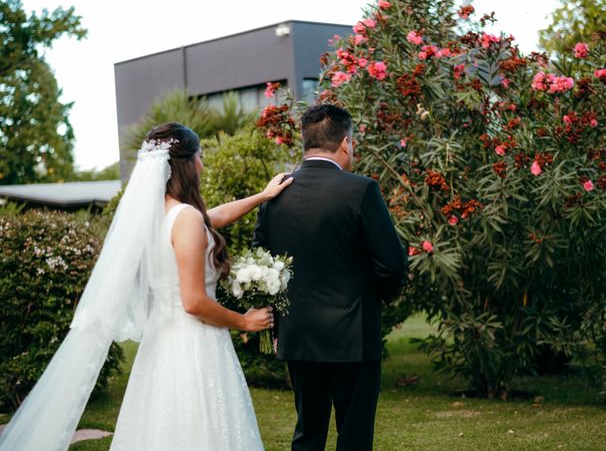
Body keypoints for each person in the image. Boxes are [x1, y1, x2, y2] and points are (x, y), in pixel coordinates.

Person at [0, 122, 292, 451]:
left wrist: (263, 196)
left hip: (162, 343)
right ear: (185, 163)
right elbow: (194, 301)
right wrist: (244, 321)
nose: (203, 163)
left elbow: (216, 215)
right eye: (200, 155)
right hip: (194, 344)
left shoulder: (163, 217)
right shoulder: (186, 219)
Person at [253, 104, 406, 451]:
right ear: (346, 143)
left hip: (298, 334)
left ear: (305, 143)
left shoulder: (273, 193)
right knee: (354, 434)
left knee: (308, 432)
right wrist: (375, 296)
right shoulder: (361, 189)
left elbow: (262, 261)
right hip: (353, 334)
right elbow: (392, 263)